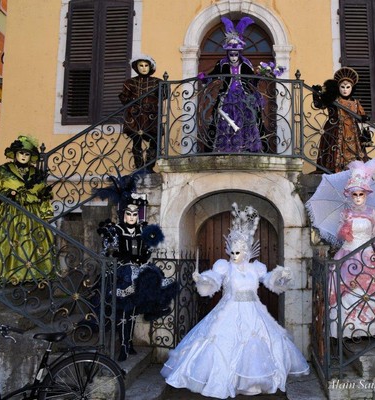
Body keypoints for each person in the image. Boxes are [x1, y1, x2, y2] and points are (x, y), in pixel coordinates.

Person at [161, 203, 309, 399]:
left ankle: (252, 381)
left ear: (246, 252)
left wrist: (282, 275)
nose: (234, 255)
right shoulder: (224, 266)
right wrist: (202, 279)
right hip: (228, 310)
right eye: (232, 251)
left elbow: (270, 282)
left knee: (257, 344)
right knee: (221, 343)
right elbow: (213, 279)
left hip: (254, 310)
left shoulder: (257, 268)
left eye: (238, 252)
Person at [97, 198, 178, 362]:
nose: (132, 217)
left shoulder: (143, 230)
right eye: (129, 214)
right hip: (123, 274)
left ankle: (129, 343)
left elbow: (148, 249)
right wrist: (120, 253)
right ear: (124, 215)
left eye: (135, 214)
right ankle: (124, 346)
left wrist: (143, 256)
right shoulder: (116, 230)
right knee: (123, 311)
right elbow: (109, 251)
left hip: (139, 273)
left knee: (134, 310)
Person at [329, 158, 375, 339]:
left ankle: (372, 326)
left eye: (361, 194)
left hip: (368, 256)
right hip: (348, 253)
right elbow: (339, 235)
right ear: (349, 195)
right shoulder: (345, 213)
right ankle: (350, 328)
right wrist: (343, 230)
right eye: (355, 195)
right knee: (346, 287)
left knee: (372, 285)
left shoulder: (371, 213)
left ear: (366, 195)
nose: (358, 198)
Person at [0, 135, 55, 284]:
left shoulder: (36, 173)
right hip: (9, 211)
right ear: (15, 153)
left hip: (32, 213)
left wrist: (44, 194)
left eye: (27, 154)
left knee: (32, 242)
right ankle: (3, 273)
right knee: (5, 241)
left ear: (31, 156)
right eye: (21, 153)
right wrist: (7, 194)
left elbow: (42, 191)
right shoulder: (3, 170)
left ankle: (30, 274)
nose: (24, 156)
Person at [198, 16, 264, 153]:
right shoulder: (222, 64)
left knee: (246, 120)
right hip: (226, 97)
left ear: (239, 54)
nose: (233, 57)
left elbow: (252, 80)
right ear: (228, 54)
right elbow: (214, 74)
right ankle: (226, 148)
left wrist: (261, 75)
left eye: (236, 54)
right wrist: (204, 78)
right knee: (224, 121)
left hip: (243, 97)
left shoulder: (246, 64)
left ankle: (246, 148)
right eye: (231, 54)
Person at [312, 67, 369, 172]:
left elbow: (362, 117)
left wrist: (364, 124)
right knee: (333, 152)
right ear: (338, 88)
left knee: (354, 155)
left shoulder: (356, 102)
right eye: (342, 87)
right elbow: (319, 104)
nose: (345, 90)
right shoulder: (333, 100)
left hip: (353, 131)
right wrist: (315, 94)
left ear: (352, 88)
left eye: (348, 87)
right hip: (335, 129)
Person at [119, 54, 164, 171]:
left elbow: (164, 95)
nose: (144, 68)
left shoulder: (158, 82)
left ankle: (149, 167)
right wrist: (134, 102)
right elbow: (124, 98)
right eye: (141, 65)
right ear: (136, 67)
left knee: (154, 141)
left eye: (146, 65)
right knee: (136, 141)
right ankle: (139, 167)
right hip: (135, 116)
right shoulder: (130, 82)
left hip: (151, 116)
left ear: (150, 67)